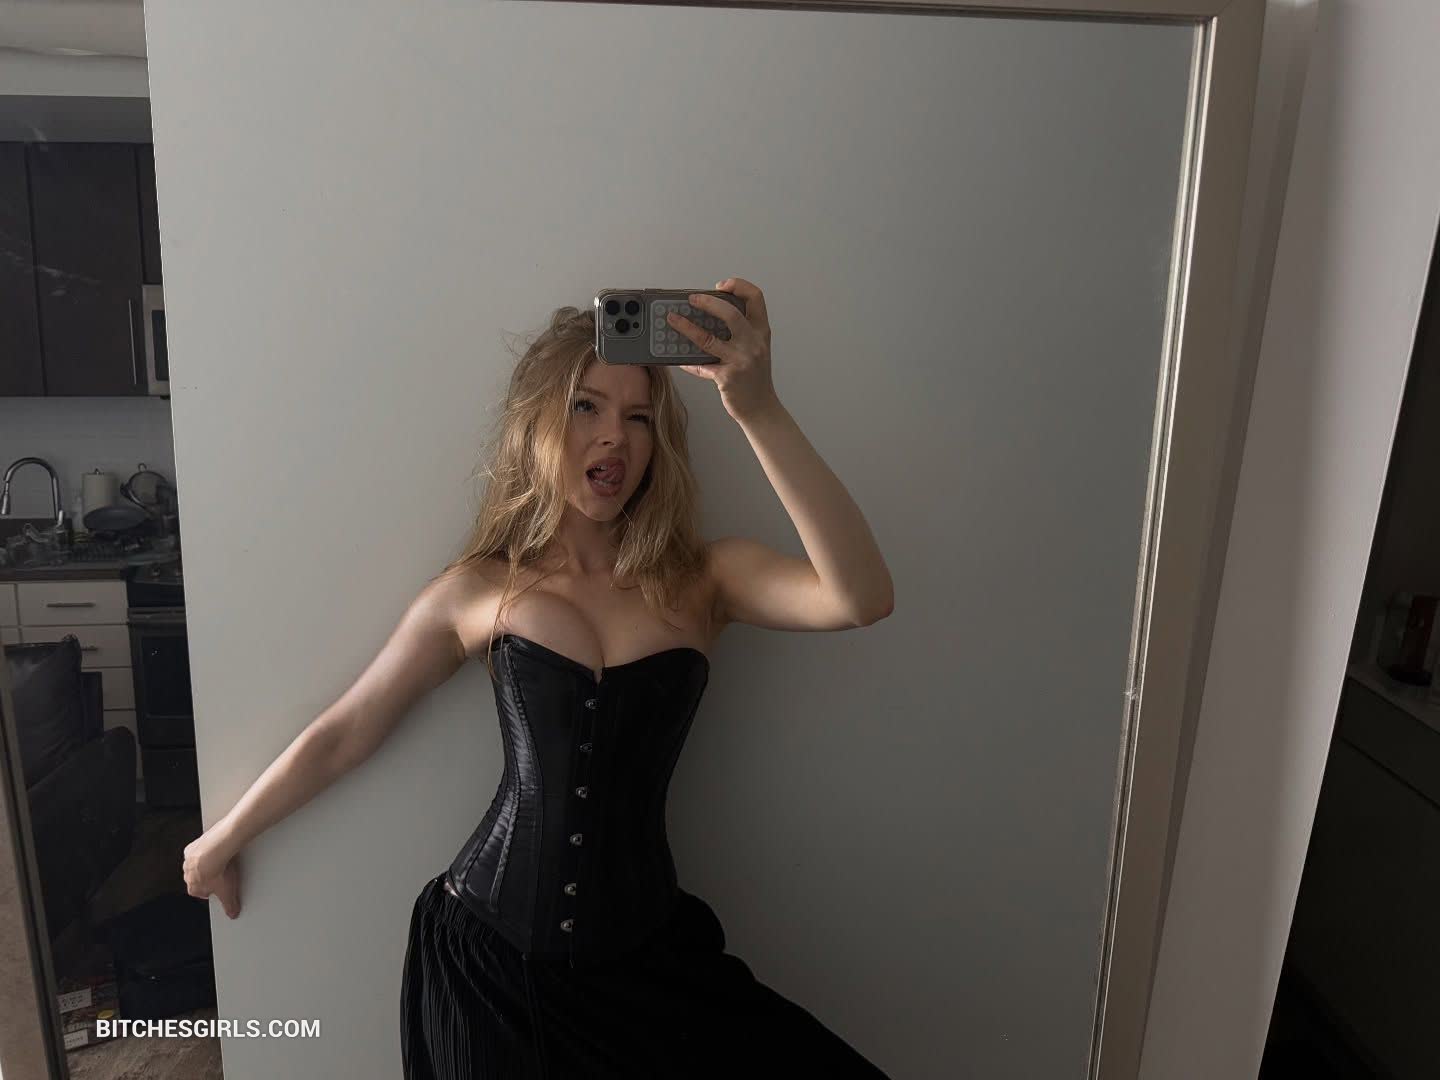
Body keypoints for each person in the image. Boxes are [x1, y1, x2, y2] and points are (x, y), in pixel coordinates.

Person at [181, 277, 895, 1078]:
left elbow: (860, 597)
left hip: (651, 976)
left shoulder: (704, 578)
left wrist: (755, 405)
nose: (614, 437)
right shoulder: (480, 591)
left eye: (639, 418)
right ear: (538, 423)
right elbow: (347, 729)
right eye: (586, 407)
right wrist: (222, 841)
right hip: (489, 972)